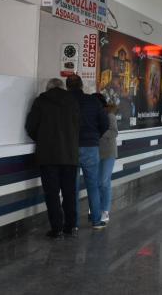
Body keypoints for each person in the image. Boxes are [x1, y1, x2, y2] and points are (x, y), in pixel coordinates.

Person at [25, 79, 81, 239]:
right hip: (69, 155)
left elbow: (30, 126)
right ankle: (71, 226)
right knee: (69, 192)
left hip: (48, 155)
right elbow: (79, 125)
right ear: (63, 87)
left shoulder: (40, 101)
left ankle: (56, 228)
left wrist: (42, 139)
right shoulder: (73, 102)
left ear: (48, 88)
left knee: (52, 193)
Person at [67, 75, 109, 229]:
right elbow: (105, 123)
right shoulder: (93, 101)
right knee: (93, 186)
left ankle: (73, 224)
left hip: (70, 148)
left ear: (67, 87)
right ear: (81, 85)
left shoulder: (65, 101)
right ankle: (96, 221)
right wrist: (95, 136)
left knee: (71, 188)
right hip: (91, 147)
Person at [96, 93, 119, 224]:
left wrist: (98, 133)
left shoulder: (110, 115)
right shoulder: (95, 115)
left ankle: (105, 210)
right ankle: (97, 208)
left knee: (104, 182)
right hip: (96, 152)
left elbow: (114, 132)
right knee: (99, 182)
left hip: (108, 153)